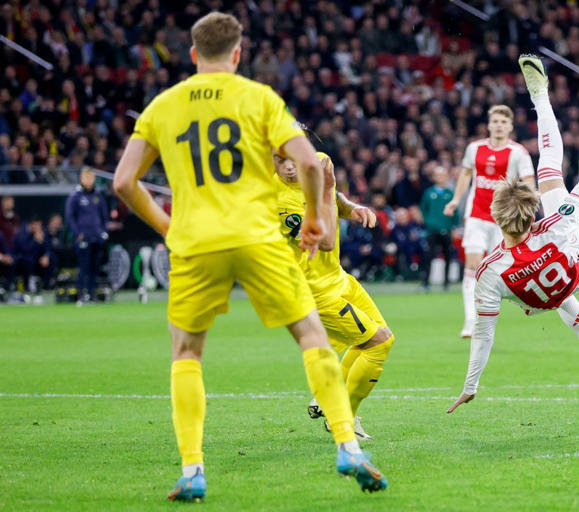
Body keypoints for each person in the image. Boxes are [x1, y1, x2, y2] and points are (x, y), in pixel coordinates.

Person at [113, 12, 386, 501]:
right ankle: (347, 444)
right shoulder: (259, 99)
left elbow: (123, 183)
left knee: (187, 354)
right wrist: (319, 219)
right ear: (237, 54)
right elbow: (308, 160)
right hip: (257, 238)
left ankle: (193, 469)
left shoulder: (163, 105)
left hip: (196, 242)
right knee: (311, 336)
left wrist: (166, 226)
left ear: (193, 54)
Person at [446, 56, 579, 414]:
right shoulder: (554, 224)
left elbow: (484, 336)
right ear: (532, 214)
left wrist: (470, 386)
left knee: (544, 292)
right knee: (549, 165)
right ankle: (540, 98)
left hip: (537, 297)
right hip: (575, 265)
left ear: (497, 220)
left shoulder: (491, 270)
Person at [273, 152, 394, 441]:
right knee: (376, 345)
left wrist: (351, 207)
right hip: (315, 290)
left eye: (293, 156)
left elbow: (333, 197)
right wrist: (328, 187)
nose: (290, 165)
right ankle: (343, 419)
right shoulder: (276, 200)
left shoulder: (317, 161)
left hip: (338, 278)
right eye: (280, 160)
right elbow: (326, 241)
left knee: (383, 338)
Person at [443, 104, 535, 338]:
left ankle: (490, 316)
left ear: (510, 126)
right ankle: (470, 321)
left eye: (503, 122)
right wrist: (456, 200)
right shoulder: (474, 148)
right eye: (495, 121)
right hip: (476, 215)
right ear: (489, 124)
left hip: (503, 219)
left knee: (498, 270)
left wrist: (528, 210)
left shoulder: (518, 153)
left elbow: (528, 182)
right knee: (472, 266)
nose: (499, 125)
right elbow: (465, 174)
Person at [65, 169, 109, 301]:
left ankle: (92, 293)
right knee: (84, 267)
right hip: (83, 237)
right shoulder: (75, 196)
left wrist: (103, 232)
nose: (89, 180)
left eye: (91, 177)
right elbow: (70, 217)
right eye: (86, 177)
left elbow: (104, 216)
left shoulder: (98, 195)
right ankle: (81, 294)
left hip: (97, 237)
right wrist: (77, 233)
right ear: (81, 178)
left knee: (95, 267)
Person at [420, 166, 458, 290]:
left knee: (448, 255)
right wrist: (428, 222)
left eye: (442, 175)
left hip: (446, 230)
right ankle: (425, 282)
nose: (440, 177)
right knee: (428, 255)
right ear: (434, 177)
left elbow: (455, 212)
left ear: (446, 177)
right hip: (432, 230)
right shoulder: (429, 193)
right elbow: (423, 209)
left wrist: (454, 226)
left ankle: (446, 283)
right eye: (437, 175)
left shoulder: (450, 193)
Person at [12, 216, 52, 293]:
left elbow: (48, 247)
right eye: (36, 225)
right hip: (22, 259)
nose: (38, 227)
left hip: (38, 259)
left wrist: (46, 256)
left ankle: (46, 285)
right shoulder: (21, 234)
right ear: (31, 225)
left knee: (52, 258)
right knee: (28, 260)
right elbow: (25, 250)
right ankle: (27, 286)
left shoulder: (42, 232)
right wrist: (35, 241)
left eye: (40, 225)